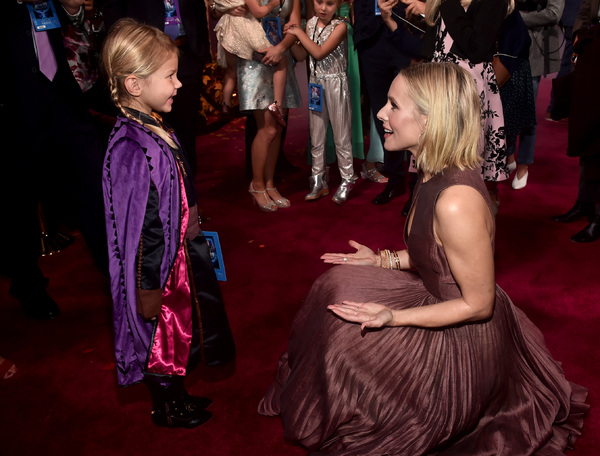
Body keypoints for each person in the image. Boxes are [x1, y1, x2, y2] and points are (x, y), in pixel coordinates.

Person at [258, 63, 588, 454]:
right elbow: (435, 255)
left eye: (393, 105)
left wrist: (393, 318)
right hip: (436, 297)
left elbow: (478, 305)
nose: (381, 113)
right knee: (332, 290)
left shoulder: (456, 201)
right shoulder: (431, 169)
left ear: (431, 121)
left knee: (344, 350)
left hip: (462, 333)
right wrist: (382, 261)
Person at [101, 19, 236, 428]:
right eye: (170, 76)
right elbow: (139, 228)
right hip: (158, 270)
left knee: (180, 336)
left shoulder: (154, 126)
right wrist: (146, 287)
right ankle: (166, 406)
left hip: (178, 256)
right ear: (134, 85)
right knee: (159, 340)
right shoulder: (131, 148)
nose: (179, 84)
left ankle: (179, 395)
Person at [0, 0, 108, 320]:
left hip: (63, 98)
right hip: (13, 106)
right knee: (20, 205)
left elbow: (61, 17)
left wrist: (72, 8)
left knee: (94, 186)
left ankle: (119, 273)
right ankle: (28, 286)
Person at [99, 0, 213, 178]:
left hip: (187, 52)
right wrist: (126, 49)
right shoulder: (126, 143)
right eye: (171, 78)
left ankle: (186, 190)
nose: (177, 83)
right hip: (144, 58)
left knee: (186, 130)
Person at [421, 0, 510, 208]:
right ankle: (431, 207)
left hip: (467, 88)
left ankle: (462, 214)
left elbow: (476, 47)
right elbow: (430, 46)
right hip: (438, 84)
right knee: (435, 153)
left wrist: (449, 4)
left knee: (465, 161)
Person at [353, 0, 422, 206]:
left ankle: (418, 184)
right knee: (381, 114)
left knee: (412, 113)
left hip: (405, 36)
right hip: (370, 41)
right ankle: (395, 179)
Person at [236, 0, 303, 211]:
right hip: (255, 59)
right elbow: (225, 10)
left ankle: (270, 184)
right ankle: (256, 185)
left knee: (277, 126)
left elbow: (295, 26)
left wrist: (281, 48)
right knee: (266, 127)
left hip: (281, 59)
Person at [287, 0, 355, 204]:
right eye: (319, 2)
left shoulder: (341, 26)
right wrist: (289, 38)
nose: (323, 8)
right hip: (316, 84)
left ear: (339, 5)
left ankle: (347, 178)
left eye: (330, 3)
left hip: (336, 84)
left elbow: (319, 52)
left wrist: (298, 34)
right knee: (316, 134)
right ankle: (318, 179)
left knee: (341, 135)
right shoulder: (310, 24)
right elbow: (302, 55)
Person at [551, 0, 600, 242]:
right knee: (587, 129)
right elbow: (585, 9)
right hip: (593, 51)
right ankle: (585, 202)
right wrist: (580, 35)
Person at [509, 0, 564, 189]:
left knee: (527, 110)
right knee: (504, 103)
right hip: (508, 42)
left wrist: (520, 18)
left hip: (536, 48)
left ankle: (524, 164)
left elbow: (554, 13)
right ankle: (508, 154)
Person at [213, 0, 288, 125]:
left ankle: (226, 104)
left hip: (227, 30)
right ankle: (277, 104)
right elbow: (258, 12)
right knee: (281, 61)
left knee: (231, 71)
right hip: (243, 30)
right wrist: (272, 4)